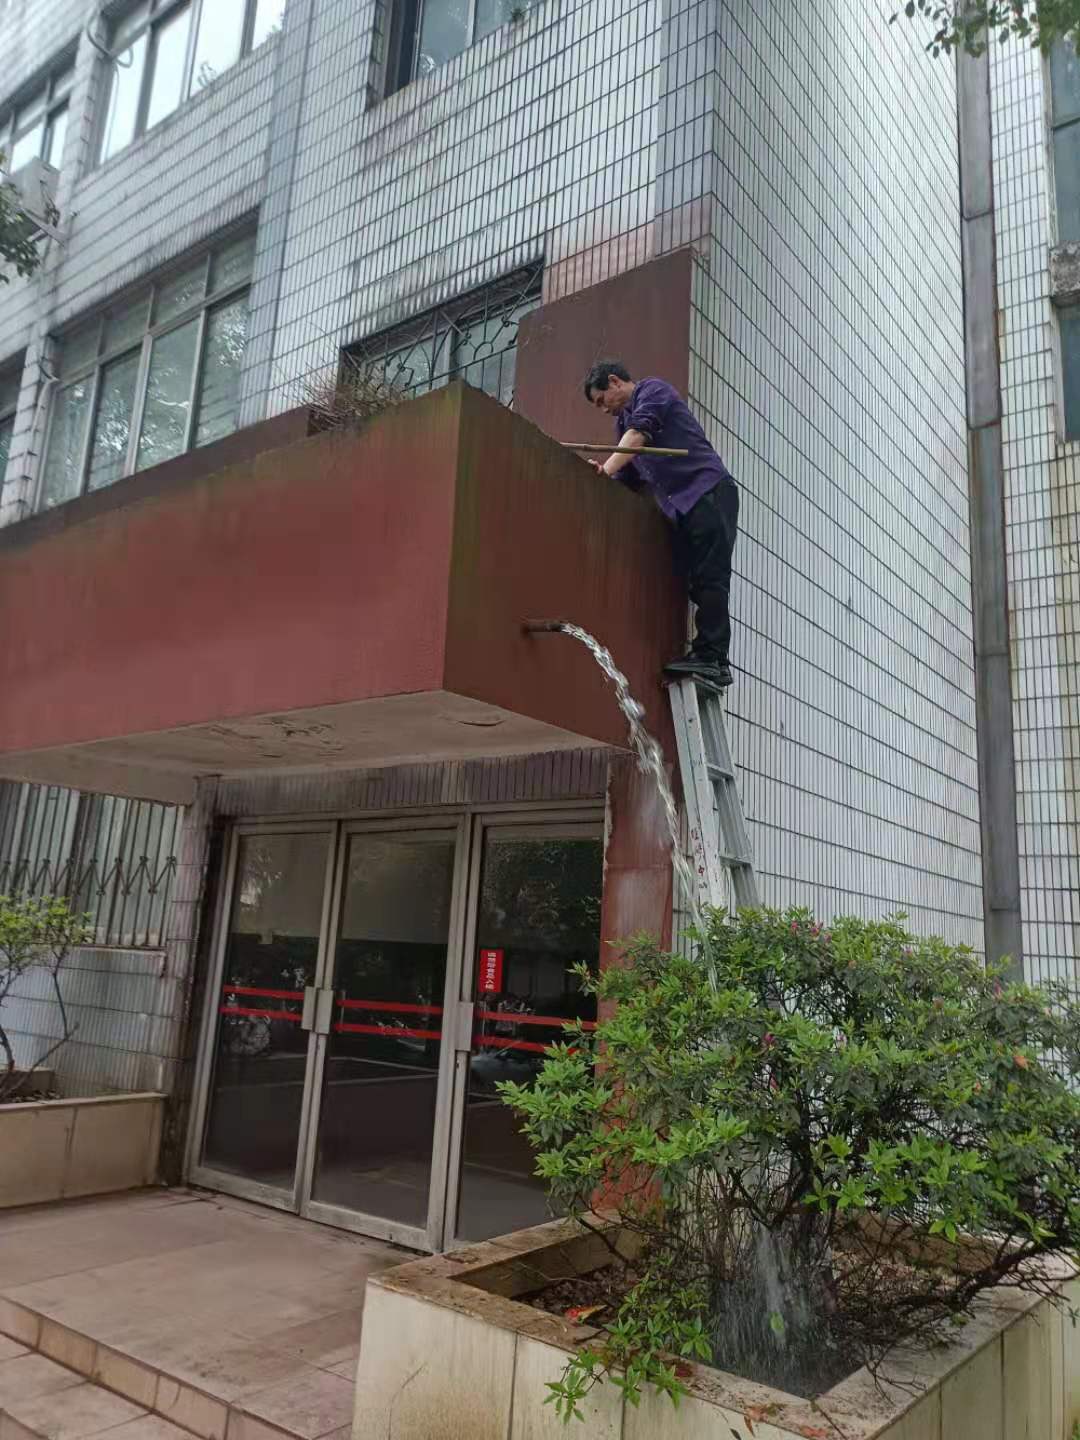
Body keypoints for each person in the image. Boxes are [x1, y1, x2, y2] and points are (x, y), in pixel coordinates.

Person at [582, 360, 739, 687]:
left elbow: (638, 437)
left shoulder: (652, 391)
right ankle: (708, 655)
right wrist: (602, 475)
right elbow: (627, 476)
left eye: (601, 400)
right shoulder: (623, 425)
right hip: (684, 509)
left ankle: (713, 658)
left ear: (614, 381)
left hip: (708, 492)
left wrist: (607, 467)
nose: (603, 409)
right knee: (697, 581)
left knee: (711, 577)